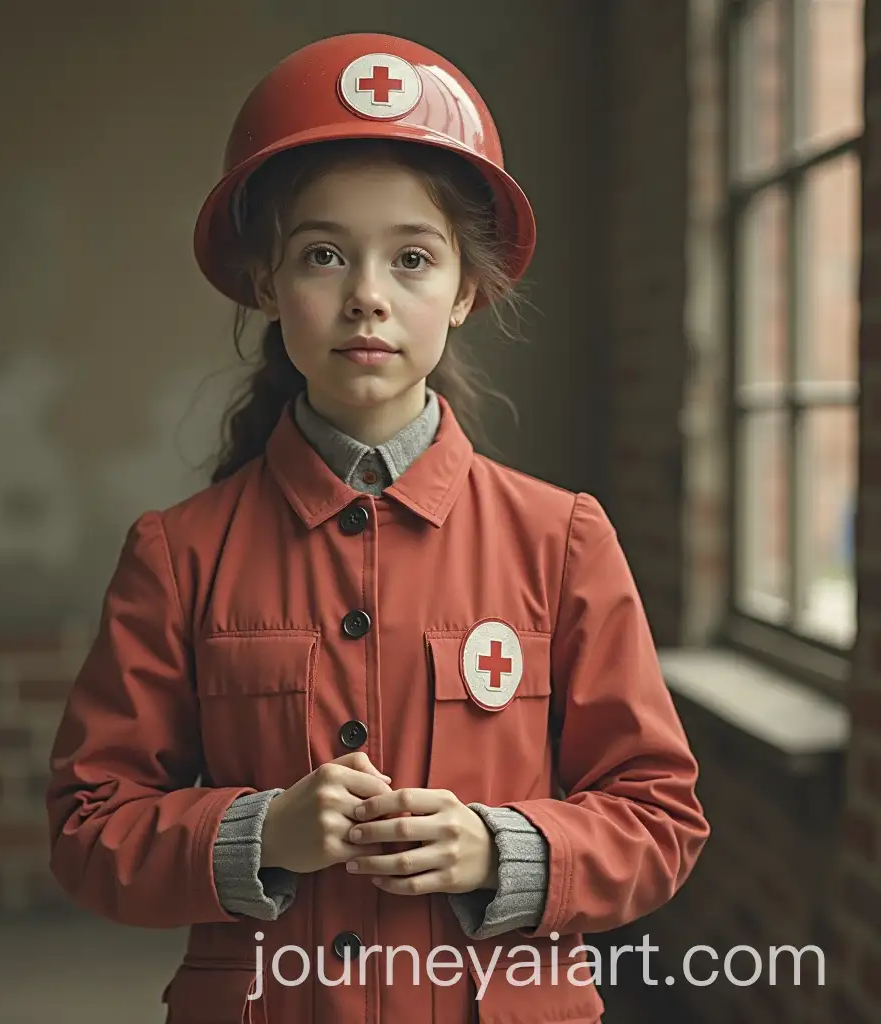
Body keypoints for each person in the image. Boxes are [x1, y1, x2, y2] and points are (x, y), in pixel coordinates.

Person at [45, 32, 710, 1024]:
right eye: (322, 254)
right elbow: (88, 826)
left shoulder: (560, 537)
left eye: (411, 257)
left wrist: (502, 848)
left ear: (466, 291)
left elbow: (658, 815)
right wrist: (258, 829)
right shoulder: (178, 555)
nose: (366, 294)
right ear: (266, 285)